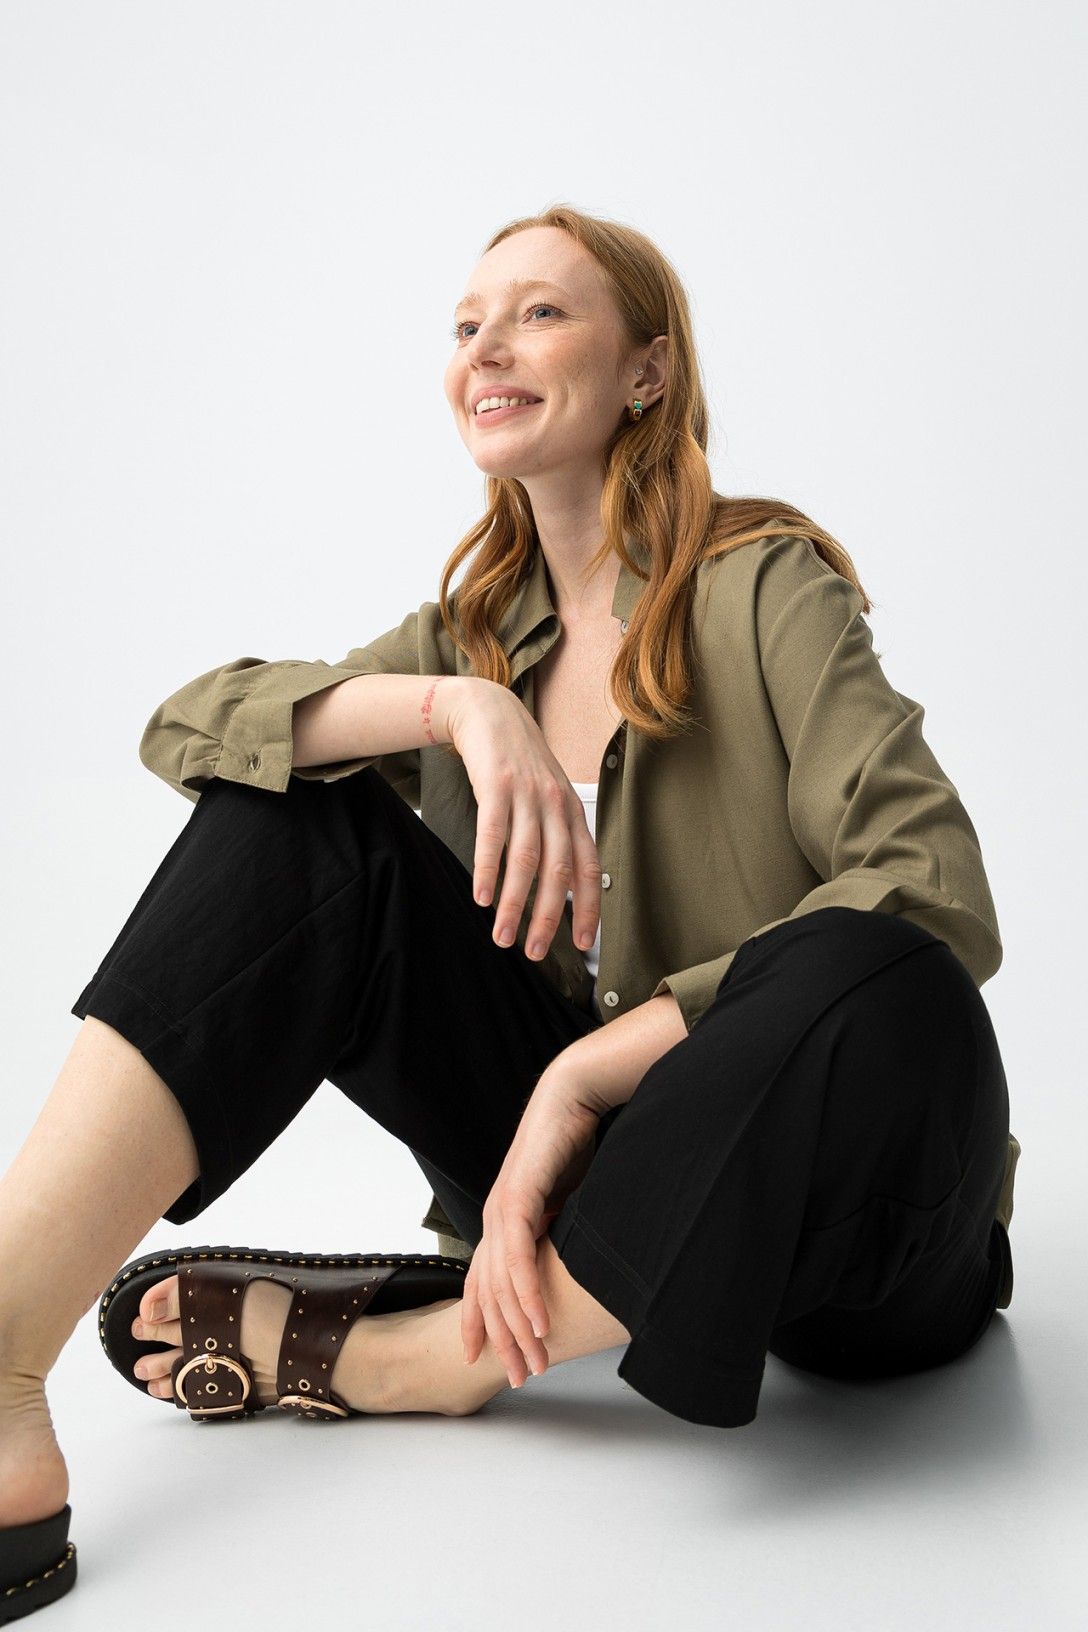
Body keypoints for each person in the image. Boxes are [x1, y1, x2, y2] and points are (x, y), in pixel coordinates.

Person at [0, 203, 1018, 1620]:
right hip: (563, 1190)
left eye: (539, 312)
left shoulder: (763, 586)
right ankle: (3, 1369)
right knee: (297, 813)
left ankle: (426, 1363)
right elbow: (192, 728)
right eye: (467, 323)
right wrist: (456, 709)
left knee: (880, 965)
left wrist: (588, 1074)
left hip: (847, 1245)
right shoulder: (471, 636)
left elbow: (934, 885)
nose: (487, 345)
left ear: (647, 370)